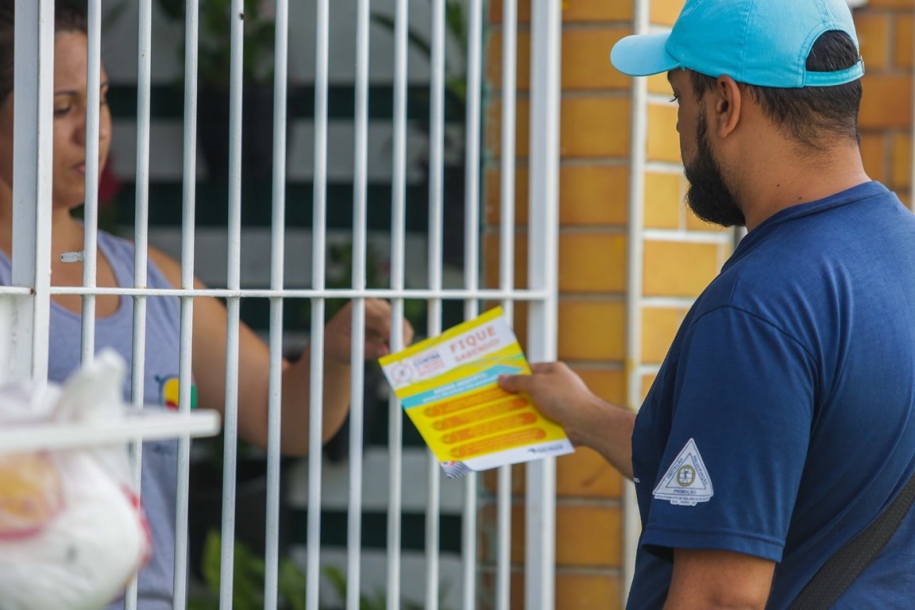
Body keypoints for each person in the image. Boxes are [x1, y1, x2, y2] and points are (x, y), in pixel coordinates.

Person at [500, 0, 915, 607]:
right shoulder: (898, 251)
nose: (675, 127)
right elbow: (760, 465)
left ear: (724, 104)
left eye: (677, 98)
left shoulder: (757, 310)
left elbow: (720, 596)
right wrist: (583, 415)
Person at [0, 2, 413, 609]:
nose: (94, 127)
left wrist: (335, 352)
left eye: (103, 98)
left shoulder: (152, 278)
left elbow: (282, 416)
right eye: (62, 108)